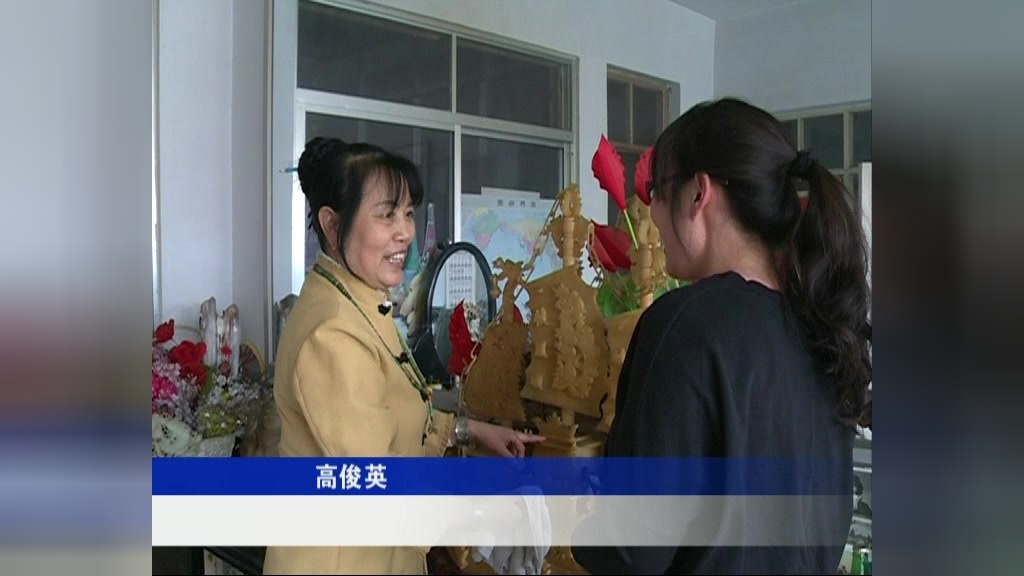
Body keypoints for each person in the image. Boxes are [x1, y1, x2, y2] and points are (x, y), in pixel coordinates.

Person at [571, 98, 871, 574]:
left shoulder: (685, 327)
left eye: (657, 192)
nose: (652, 214)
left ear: (699, 193)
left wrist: (571, 520)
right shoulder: (824, 325)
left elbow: (630, 552)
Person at [263, 137, 545, 575]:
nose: (405, 233)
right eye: (386, 215)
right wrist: (486, 508)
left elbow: (395, 418)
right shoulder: (331, 335)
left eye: (408, 213)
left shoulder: (360, 300)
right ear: (332, 225)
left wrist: (469, 430)